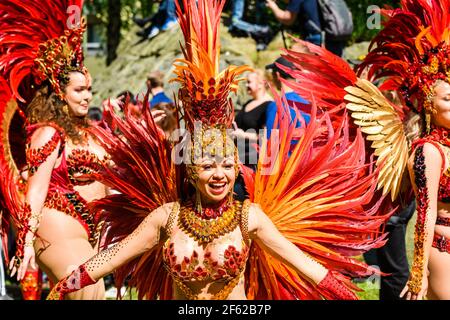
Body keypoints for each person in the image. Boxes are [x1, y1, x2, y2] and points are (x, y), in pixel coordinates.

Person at [47, 0, 388, 301]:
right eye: (209, 165)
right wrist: (64, 285)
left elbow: (305, 265)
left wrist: (346, 293)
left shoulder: (249, 217)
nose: (220, 174)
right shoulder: (165, 218)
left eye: (227, 165)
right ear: (192, 171)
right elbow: (113, 256)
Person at [0, 1, 111, 299]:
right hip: (57, 227)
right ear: (60, 93)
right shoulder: (49, 131)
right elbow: (35, 191)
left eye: (89, 90)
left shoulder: (91, 133)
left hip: (87, 233)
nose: (87, 96)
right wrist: (24, 243)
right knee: (89, 291)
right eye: (79, 90)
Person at [342, 0, 450, 300]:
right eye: (448, 99)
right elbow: (425, 216)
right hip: (444, 252)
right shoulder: (428, 151)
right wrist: (418, 274)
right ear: (429, 104)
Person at [265, 56, 311, 138]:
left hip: (286, 151)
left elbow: (270, 141)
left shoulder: (276, 105)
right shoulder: (308, 102)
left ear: (277, 75)